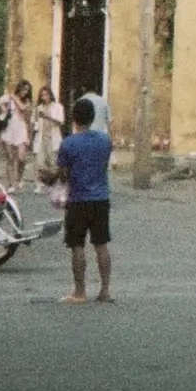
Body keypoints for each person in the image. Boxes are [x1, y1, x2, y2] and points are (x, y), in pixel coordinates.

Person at [51, 94, 114, 305]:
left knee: (77, 245)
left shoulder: (68, 144)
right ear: (93, 117)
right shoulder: (105, 141)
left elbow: (63, 174)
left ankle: (80, 291)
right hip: (101, 197)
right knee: (101, 244)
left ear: (74, 118)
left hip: (78, 199)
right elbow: (103, 166)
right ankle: (105, 289)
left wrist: (50, 177)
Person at [0, 81, 31, 189]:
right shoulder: (7, 97)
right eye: (23, 89)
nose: (25, 92)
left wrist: (14, 98)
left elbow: (23, 110)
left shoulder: (26, 101)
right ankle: (11, 184)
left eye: (27, 90)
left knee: (21, 158)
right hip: (9, 129)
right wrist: (2, 108)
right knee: (10, 158)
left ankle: (19, 178)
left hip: (21, 130)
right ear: (19, 88)